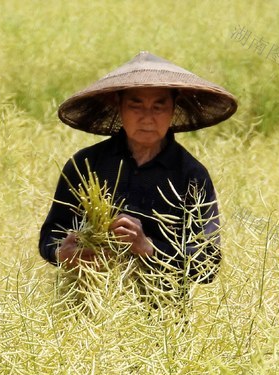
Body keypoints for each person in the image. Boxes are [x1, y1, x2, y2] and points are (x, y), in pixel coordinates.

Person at [38, 51, 238, 307]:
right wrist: (63, 252)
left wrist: (148, 248)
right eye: (136, 105)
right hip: (88, 311)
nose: (147, 117)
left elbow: (208, 265)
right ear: (117, 105)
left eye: (159, 106)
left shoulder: (191, 175)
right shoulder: (86, 165)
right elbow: (51, 236)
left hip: (162, 323)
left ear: (173, 109)